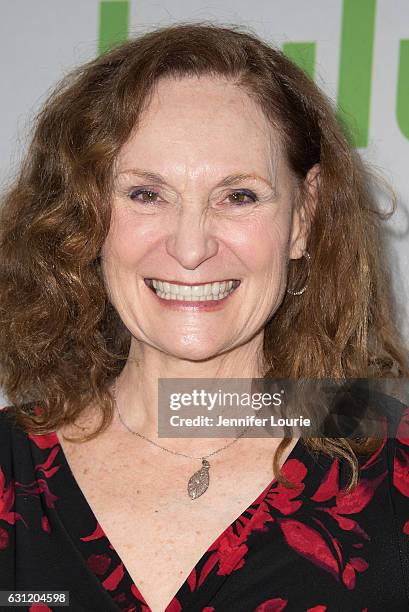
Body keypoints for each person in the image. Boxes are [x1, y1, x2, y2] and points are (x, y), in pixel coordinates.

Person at [0, 22, 408, 612]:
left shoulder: (392, 469)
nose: (191, 248)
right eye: (146, 194)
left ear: (302, 218)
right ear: (84, 214)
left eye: (238, 196)